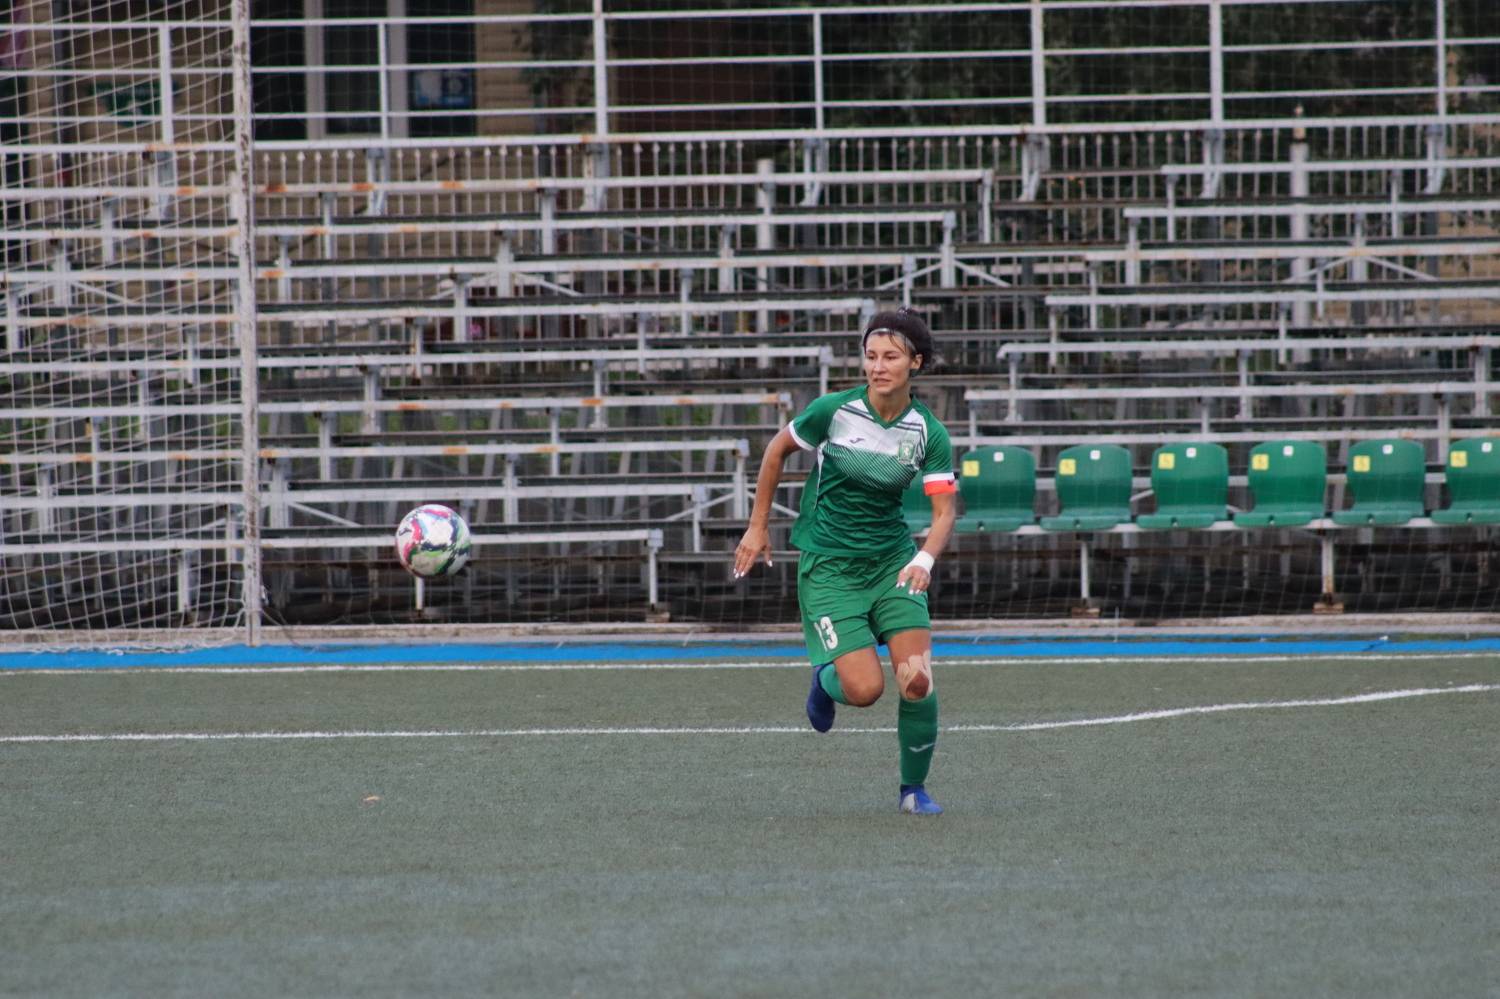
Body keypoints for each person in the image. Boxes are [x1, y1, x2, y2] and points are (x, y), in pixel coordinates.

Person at [733, 308, 957, 815]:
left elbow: (945, 512)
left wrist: (924, 559)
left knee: (917, 681)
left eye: (891, 357)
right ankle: (824, 680)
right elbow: (775, 452)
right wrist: (758, 525)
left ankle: (913, 790)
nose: (878, 366)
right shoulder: (833, 411)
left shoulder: (929, 432)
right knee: (864, 690)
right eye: (871, 356)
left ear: (915, 363)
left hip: (893, 565)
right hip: (830, 567)